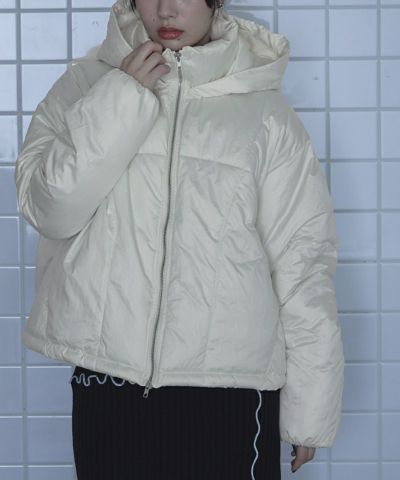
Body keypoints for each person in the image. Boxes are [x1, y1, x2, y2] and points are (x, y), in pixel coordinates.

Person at [14, 0, 345, 478]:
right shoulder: (84, 86)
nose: (167, 10)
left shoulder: (266, 113)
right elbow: (50, 210)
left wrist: (310, 407)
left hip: (230, 387)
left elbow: (302, 260)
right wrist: (123, 96)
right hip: (111, 381)